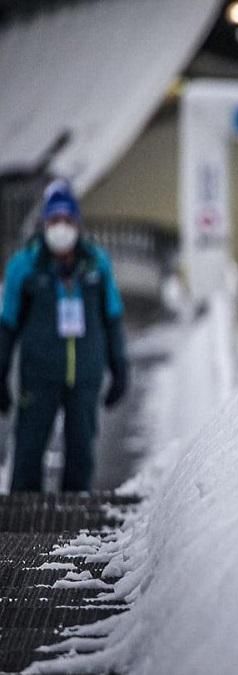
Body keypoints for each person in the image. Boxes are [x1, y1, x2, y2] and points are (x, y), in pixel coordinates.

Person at [0, 178, 128, 492]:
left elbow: (112, 318)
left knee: (81, 453)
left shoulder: (96, 264)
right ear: (44, 224)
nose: (61, 227)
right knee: (29, 450)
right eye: (54, 220)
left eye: (67, 220)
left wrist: (120, 368)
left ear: (77, 224)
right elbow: (7, 325)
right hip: (39, 375)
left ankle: (75, 512)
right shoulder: (24, 266)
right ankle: (23, 509)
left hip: (85, 375)